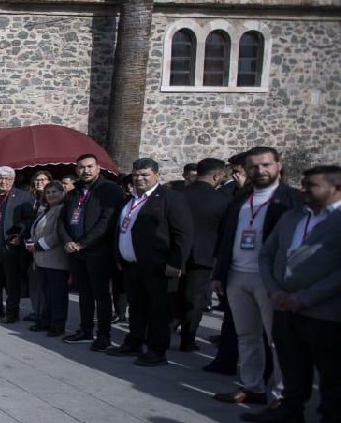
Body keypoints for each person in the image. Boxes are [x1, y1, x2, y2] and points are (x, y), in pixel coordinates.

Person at [242, 165, 341, 423]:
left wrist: (306, 297)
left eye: (312, 185)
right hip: (285, 307)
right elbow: (267, 254)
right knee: (291, 365)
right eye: (304, 184)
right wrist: (274, 288)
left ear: (335, 188)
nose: (304, 190)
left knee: (331, 376)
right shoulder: (292, 217)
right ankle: (290, 411)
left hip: (324, 313)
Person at [211, 146, 299, 405]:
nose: (260, 170)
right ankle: (252, 386)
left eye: (266, 165)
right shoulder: (241, 198)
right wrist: (219, 273)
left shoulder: (291, 199)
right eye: (254, 166)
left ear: (278, 166)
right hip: (238, 274)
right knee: (246, 335)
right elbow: (227, 237)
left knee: (278, 340)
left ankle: (282, 395)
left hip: (271, 279)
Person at [108, 158, 193, 366]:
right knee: (136, 307)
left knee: (158, 310)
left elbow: (183, 233)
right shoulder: (128, 200)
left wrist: (176, 262)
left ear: (157, 176)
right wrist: (119, 257)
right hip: (131, 265)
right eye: (136, 174)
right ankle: (134, 342)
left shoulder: (170, 198)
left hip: (158, 265)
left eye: (145, 174)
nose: (140, 178)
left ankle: (157, 349)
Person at [59, 154, 125, 351]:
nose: (85, 171)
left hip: (98, 251)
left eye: (89, 167)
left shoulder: (110, 189)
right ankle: (85, 330)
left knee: (101, 295)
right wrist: (68, 241)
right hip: (75, 252)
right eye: (81, 167)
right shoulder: (74, 192)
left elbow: (107, 221)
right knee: (84, 294)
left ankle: (103, 335)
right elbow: (62, 220)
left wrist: (83, 243)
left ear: (98, 168)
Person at [176, 158, 229, 350]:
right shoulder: (223, 200)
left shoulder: (177, 194)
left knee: (173, 296)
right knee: (195, 300)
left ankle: (162, 334)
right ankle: (187, 340)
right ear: (216, 176)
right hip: (204, 257)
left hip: (176, 255)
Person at [0, 167, 35, 323]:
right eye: (0, 178)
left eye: (7, 178)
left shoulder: (24, 197)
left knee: (11, 282)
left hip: (10, 245)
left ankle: (12, 313)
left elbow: (29, 220)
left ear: (13, 180)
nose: (3, 181)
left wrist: (20, 235)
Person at [26, 184, 70, 336]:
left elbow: (58, 234)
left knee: (57, 295)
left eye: (54, 192)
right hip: (41, 259)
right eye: (48, 192)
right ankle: (45, 321)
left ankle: (57, 325)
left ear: (63, 193)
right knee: (46, 293)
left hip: (55, 259)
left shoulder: (62, 210)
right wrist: (31, 241)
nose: (51, 195)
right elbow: (37, 229)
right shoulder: (45, 210)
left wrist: (38, 245)